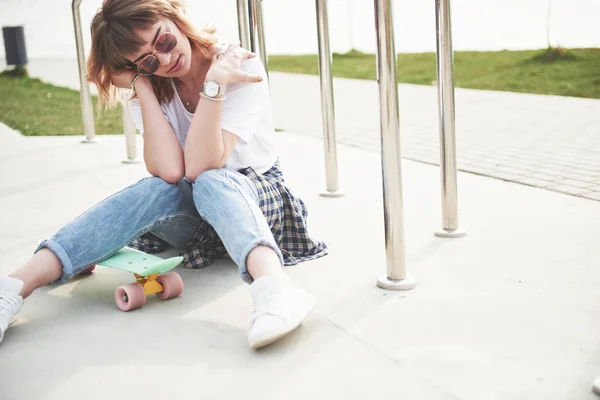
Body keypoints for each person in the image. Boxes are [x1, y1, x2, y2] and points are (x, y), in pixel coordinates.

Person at [0, 0, 327, 350]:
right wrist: (142, 86)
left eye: (164, 41)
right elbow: (171, 172)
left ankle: (275, 288)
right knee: (158, 189)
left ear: (172, 16)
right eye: (148, 61)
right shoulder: (153, 86)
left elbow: (204, 166)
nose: (165, 59)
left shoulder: (238, 66)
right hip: (199, 213)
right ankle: (13, 287)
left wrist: (214, 84)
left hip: (255, 198)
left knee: (211, 181)